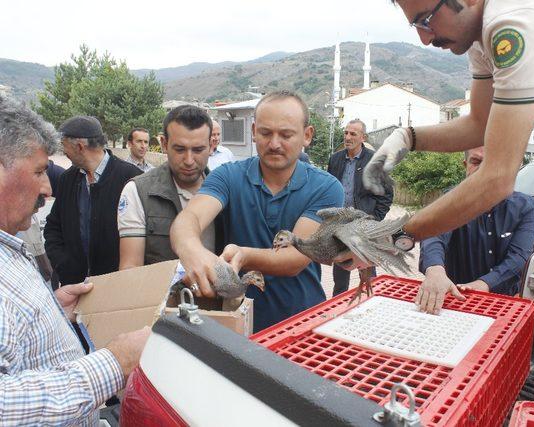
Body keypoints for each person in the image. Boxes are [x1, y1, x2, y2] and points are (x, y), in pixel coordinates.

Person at [358, 0, 534, 419]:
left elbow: (497, 177)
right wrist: (407, 137)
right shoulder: (478, 35)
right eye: (414, 24)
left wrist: (395, 237)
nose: (423, 37)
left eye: (426, 18)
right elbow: (478, 124)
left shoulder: (517, 23)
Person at [0, 95, 149, 425]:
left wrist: (51, 312)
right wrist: (114, 364)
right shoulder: (68, 181)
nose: (46, 187)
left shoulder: (129, 179)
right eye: (39, 171)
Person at [170, 91, 344, 332]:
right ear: (253, 131)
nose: (274, 144)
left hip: (303, 323)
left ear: (307, 135)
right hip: (236, 322)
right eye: (265, 133)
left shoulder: (326, 188)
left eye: (286, 134)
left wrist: (243, 255)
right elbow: (190, 217)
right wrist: (190, 249)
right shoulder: (228, 176)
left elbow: (294, 258)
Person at [419, 146, 534, 296]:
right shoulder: (451, 202)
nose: (483, 170)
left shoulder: (524, 207)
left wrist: (486, 283)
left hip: (503, 300)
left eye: (491, 163)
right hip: (456, 296)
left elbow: (519, 256)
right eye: (476, 161)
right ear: (465, 165)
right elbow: (433, 235)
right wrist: (434, 269)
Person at [44, 116, 142, 285]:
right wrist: (63, 264)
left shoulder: (132, 179)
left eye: (64, 145)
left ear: (80, 146)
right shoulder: (67, 180)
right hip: (74, 285)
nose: (64, 152)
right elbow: (53, 227)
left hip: (116, 288)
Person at [118, 105, 218, 268]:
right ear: (164, 144)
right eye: (180, 149)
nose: (189, 160)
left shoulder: (227, 190)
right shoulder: (137, 192)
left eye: (198, 150)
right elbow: (130, 268)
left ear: (211, 144)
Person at [327, 119, 393, 296]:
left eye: (353, 134)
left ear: (363, 137)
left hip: (364, 228)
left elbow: (387, 195)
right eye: (346, 133)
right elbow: (328, 190)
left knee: (368, 274)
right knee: (340, 275)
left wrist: (374, 220)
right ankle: (338, 307)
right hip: (340, 227)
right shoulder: (335, 160)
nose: (347, 137)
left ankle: (371, 304)